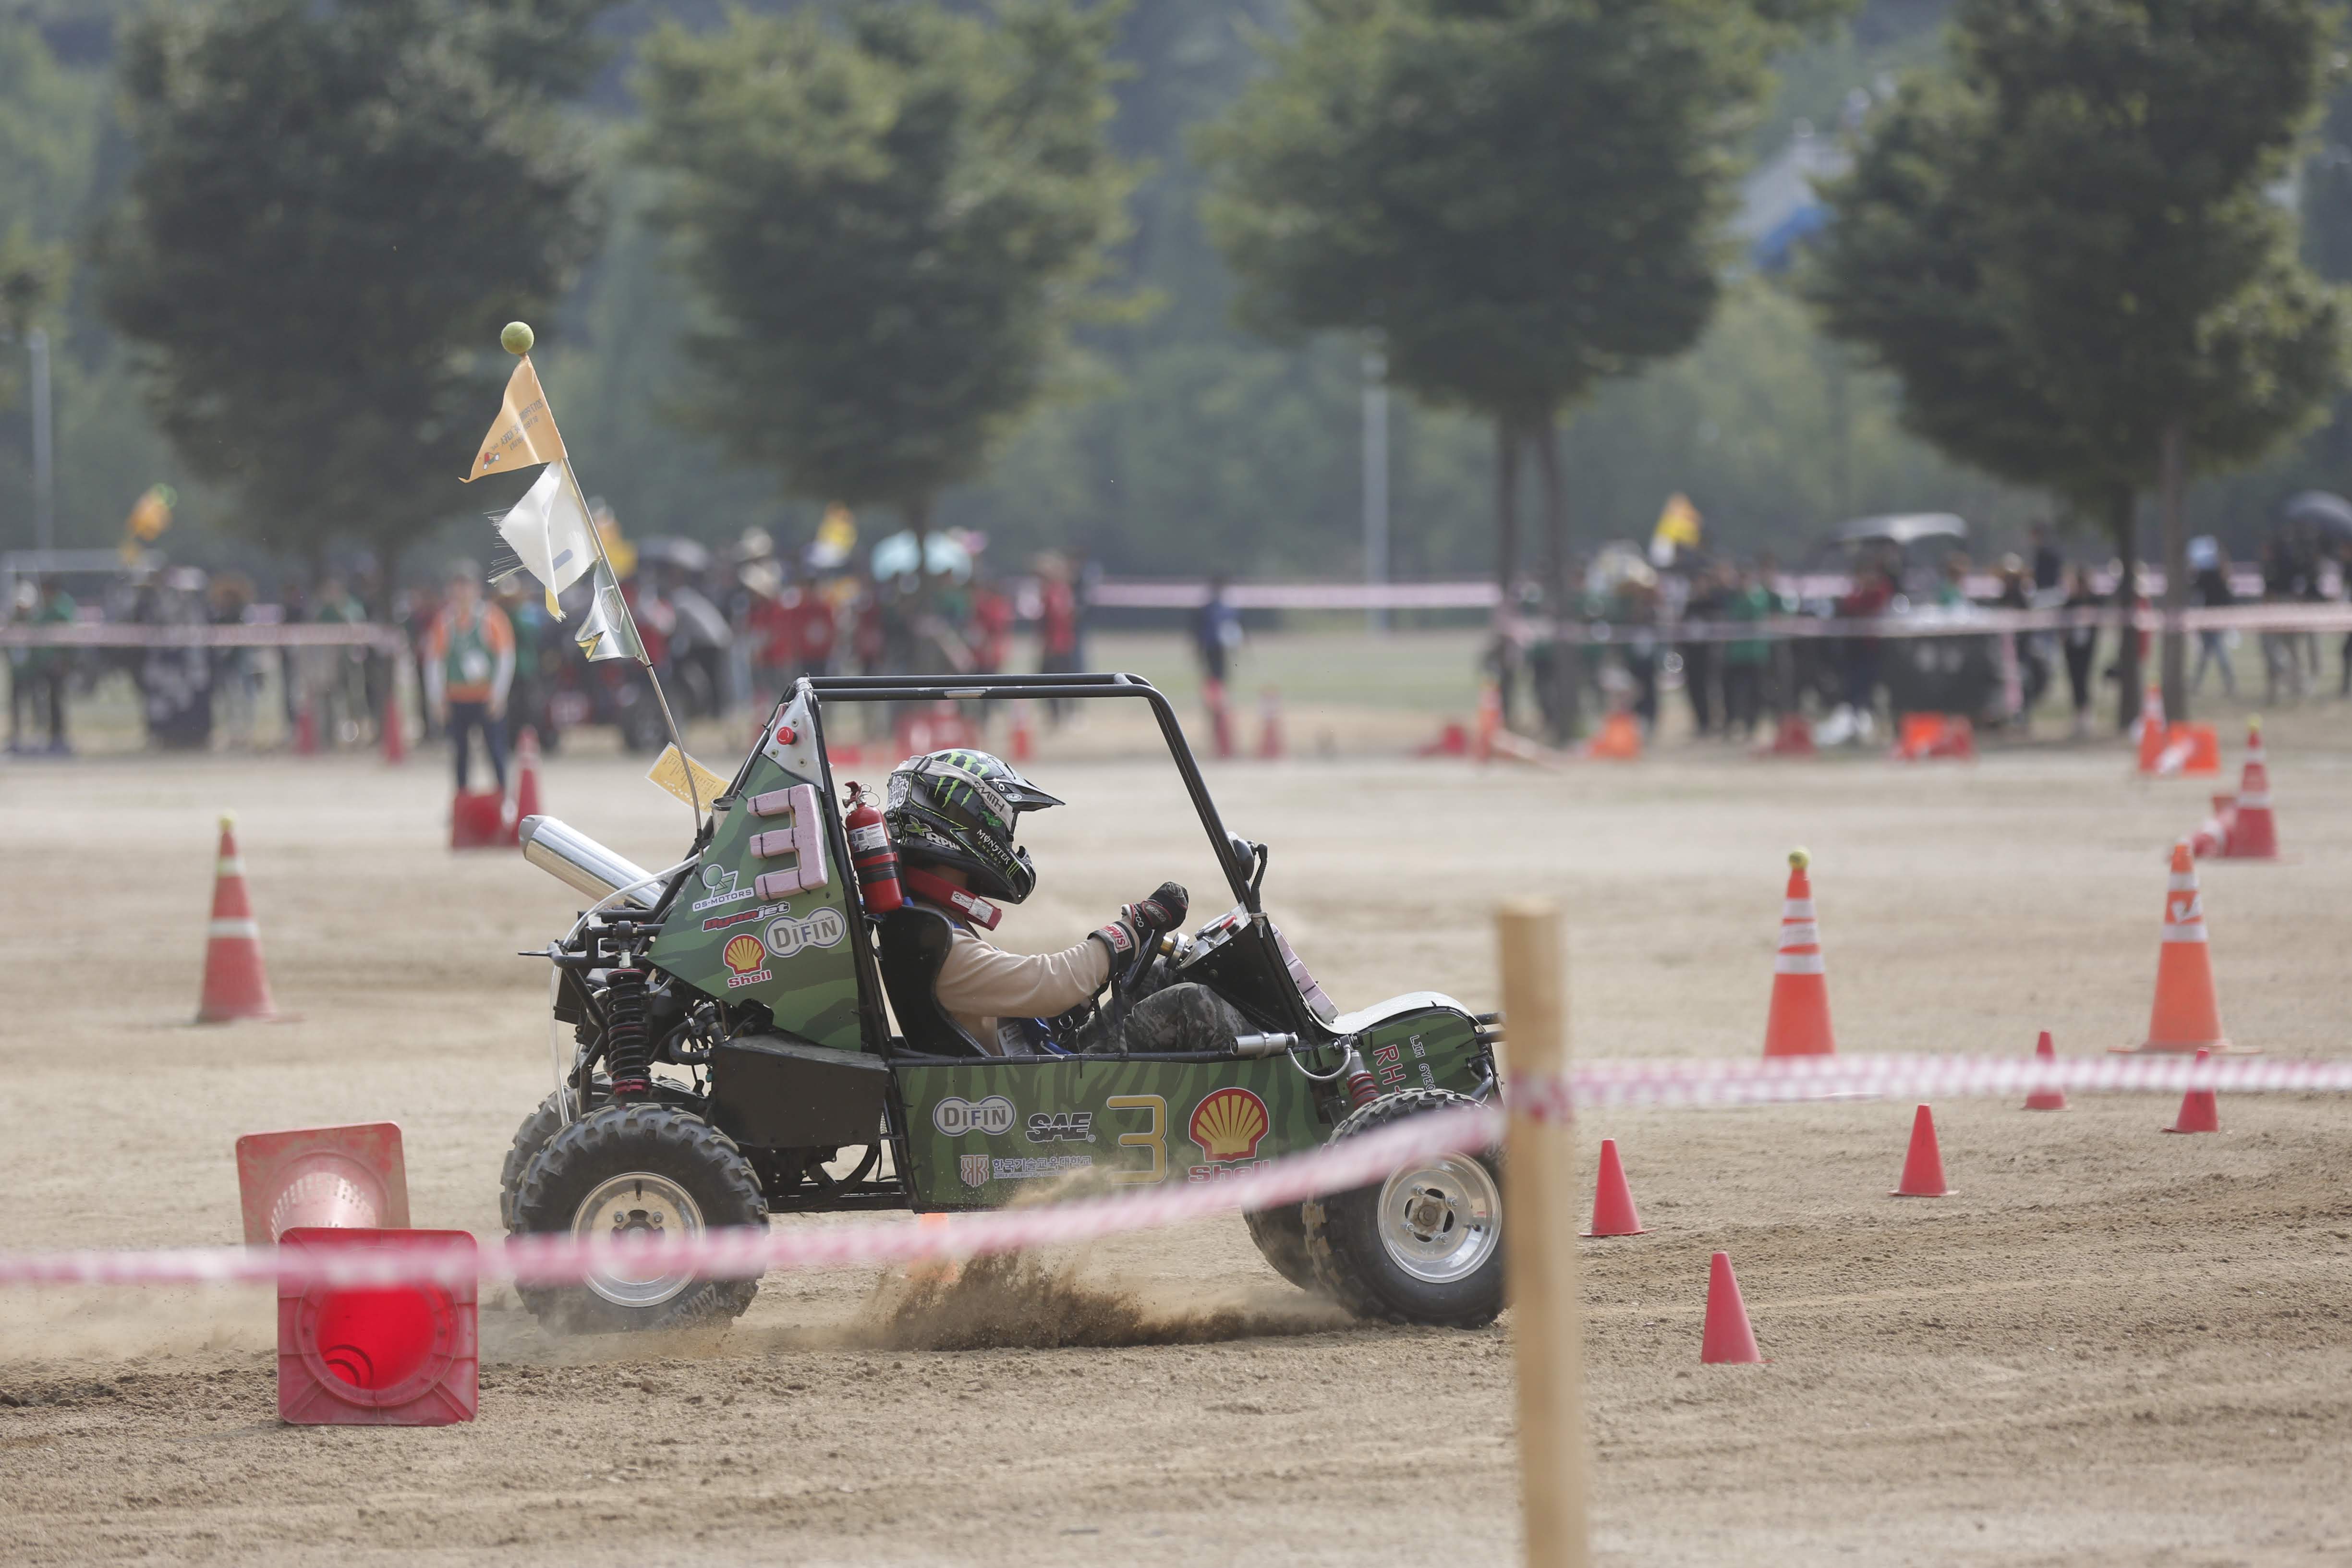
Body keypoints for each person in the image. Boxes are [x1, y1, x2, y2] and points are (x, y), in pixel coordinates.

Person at [884, 749, 1243, 1057]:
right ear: (971, 824)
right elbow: (1046, 983)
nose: (1008, 840)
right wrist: (1127, 932)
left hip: (1027, 1068)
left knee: (1159, 975)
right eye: (1003, 826)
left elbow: (1027, 998)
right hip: (1028, 1101)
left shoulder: (929, 920)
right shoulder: (933, 939)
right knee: (1194, 1006)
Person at [423, 562, 515, 793]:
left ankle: (504, 797)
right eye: (458, 588)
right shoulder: (445, 622)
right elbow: (434, 662)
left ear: (477, 590)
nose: (462, 593)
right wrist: (437, 699)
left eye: (467, 587)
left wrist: (499, 694)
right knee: (460, 753)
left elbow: (505, 657)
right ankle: (461, 801)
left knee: (495, 750)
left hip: (485, 697)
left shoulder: (492, 619)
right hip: (457, 697)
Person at [1719, 563, 1772, 741]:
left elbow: (1757, 613)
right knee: (1734, 693)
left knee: (1755, 693)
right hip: (1735, 655)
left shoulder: (1758, 597)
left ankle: (1752, 725)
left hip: (1755, 654)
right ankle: (1732, 723)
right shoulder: (1732, 598)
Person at [2189, 538, 2236, 699]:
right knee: (2207, 655)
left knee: (2217, 653)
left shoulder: (2221, 577)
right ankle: (2199, 684)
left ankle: (2228, 684)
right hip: (2207, 619)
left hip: (2217, 619)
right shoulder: (2207, 575)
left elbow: (2228, 597)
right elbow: (2194, 587)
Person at [2061, 563, 2100, 739]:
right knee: (2075, 679)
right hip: (2072, 648)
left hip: (2087, 647)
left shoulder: (2094, 601)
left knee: (2085, 678)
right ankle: (2078, 715)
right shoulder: (2070, 603)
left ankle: (2086, 715)